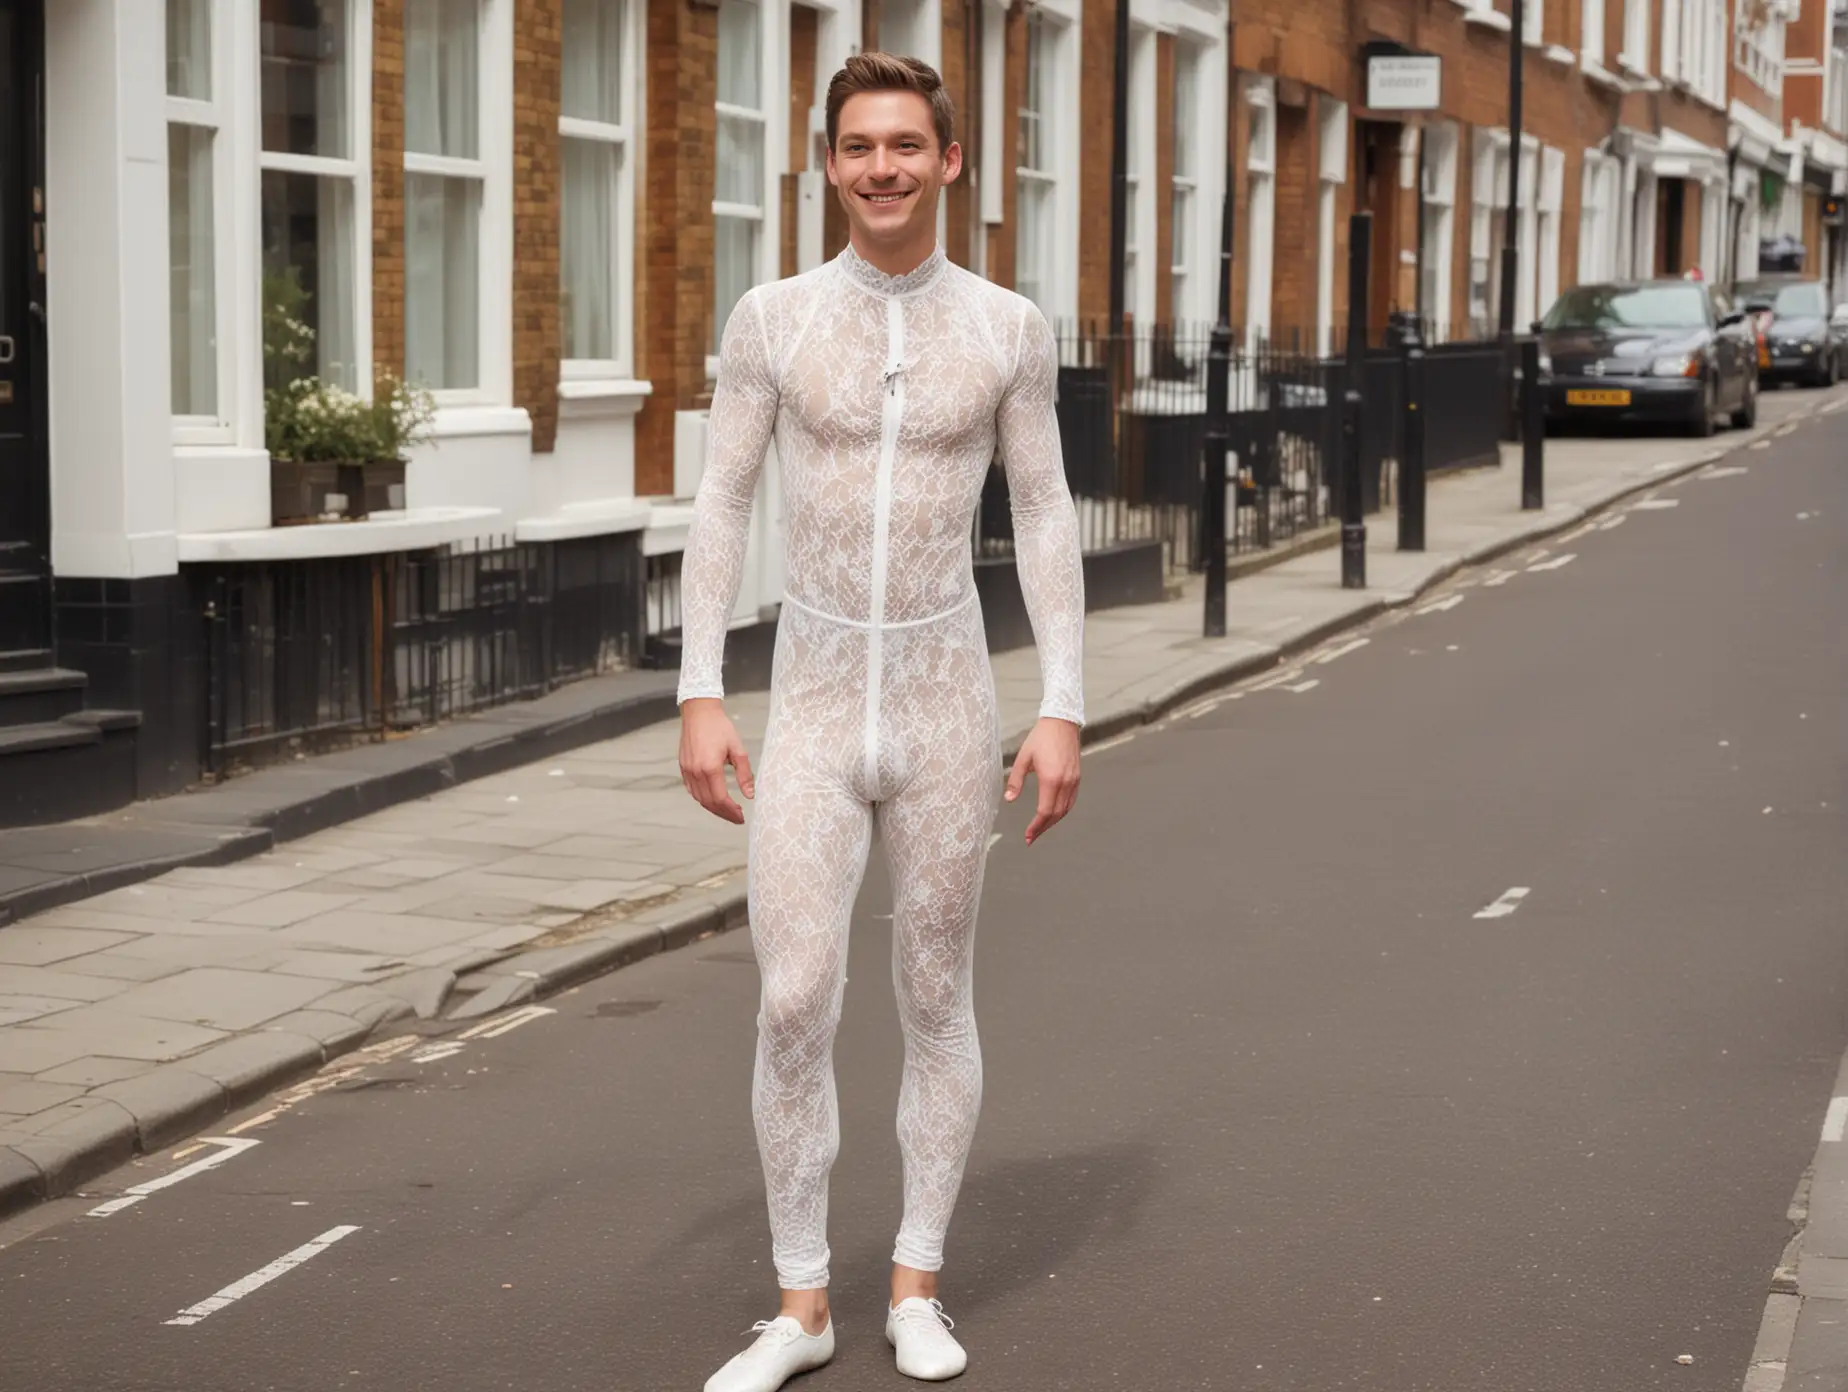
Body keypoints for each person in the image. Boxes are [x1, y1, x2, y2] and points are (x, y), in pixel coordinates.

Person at [678, 51, 1086, 1392]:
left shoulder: (1009, 328)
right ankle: (801, 1307)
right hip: (804, 704)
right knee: (794, 998)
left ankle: (915, 1279)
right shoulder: (775, 319)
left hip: (943, 703)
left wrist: (1064, 705)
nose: (883, 168)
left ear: (949, 161)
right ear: (830, 163)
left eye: (907, 144)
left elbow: (1041, 510)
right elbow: (724, 505)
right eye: (859, 146)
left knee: (930, 994)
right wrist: (697, 691)